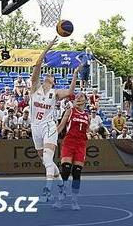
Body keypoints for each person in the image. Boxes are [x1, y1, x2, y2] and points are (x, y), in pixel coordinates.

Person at [29, 38, 82, 202]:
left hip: (49, 126)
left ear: (53, 82)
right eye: (48, 74)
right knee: (47, 161)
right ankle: (61, 187)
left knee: (47, 159)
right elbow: (38, 65)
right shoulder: (35, 87)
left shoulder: (56, 93)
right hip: (35, 127)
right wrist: (48, 47)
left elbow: (71, 91)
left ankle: (47, 189)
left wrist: (74, 74)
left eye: (52, 76)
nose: (49, 75)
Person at [53, 92, 90, 210]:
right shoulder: (70, 111)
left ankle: (74, 200)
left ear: (85, 100)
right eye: (77, 96)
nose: (79, 97)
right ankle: (60, 197)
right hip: (69, 142)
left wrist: (90, 133)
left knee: (77, 173)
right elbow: (61, 126)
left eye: (81, 96)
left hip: (81, 144)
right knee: (66, 170)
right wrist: (51, 137)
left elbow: (87, 130)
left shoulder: (86, 116)